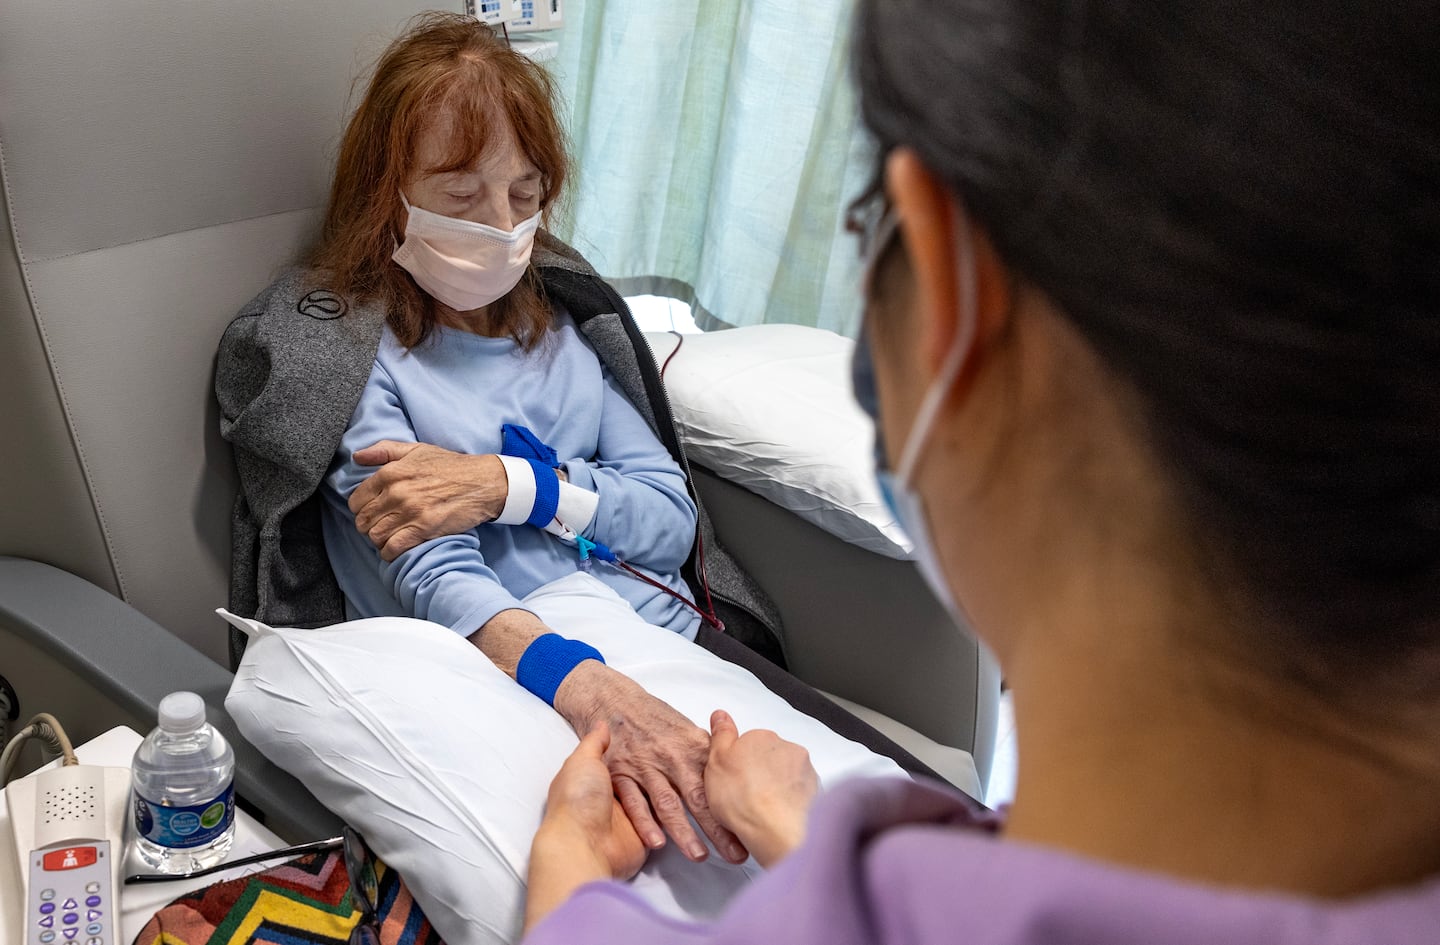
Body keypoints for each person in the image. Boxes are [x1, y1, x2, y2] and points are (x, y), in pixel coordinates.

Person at [521, 0, 1440, 941]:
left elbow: (664, 514)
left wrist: (568, 871)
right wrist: (800, 831)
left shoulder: (585, 346)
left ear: (950, 290)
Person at [216, 12, 939, 878]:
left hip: (671, 636)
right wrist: (594, 685)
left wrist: (508, 486)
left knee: (930, 844)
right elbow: (432, 568)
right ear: (387, 192)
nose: (502, 224)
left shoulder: (559, 330)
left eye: (525, 195)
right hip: (527, 666)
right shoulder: (350, 361)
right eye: (459, 195)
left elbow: (669, 521)